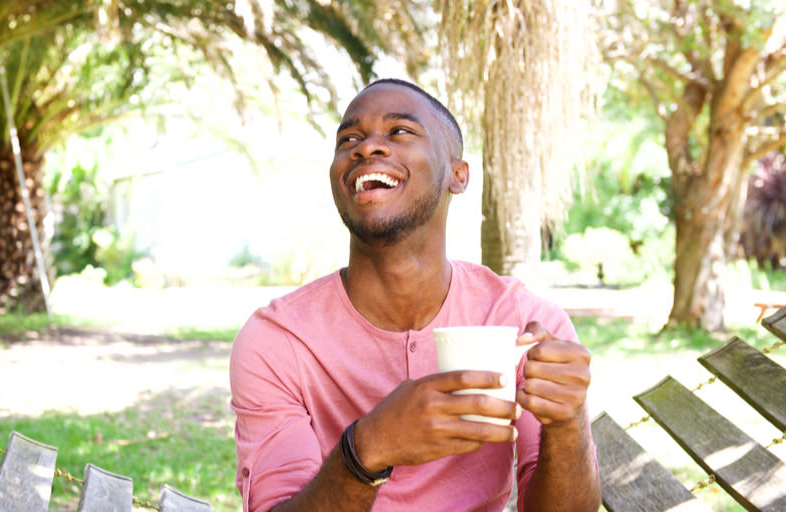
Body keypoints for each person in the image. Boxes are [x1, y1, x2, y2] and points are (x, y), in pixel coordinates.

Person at [229, 78, 600, 512]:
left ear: (457, 176)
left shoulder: (525, 323)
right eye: (349, 138)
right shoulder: (278, 341)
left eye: (399, 131)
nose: (366, 148)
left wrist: (568, 423)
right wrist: (366, 449)